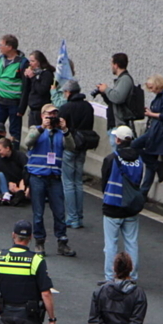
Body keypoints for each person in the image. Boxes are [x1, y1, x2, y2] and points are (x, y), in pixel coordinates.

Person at [23, 104, 76, 257]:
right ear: (42, 115)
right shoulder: (35, 129)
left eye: (54, 114)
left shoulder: (60, 133)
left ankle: (62, 242)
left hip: (55, 178)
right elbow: (28, 142)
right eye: (49, 114)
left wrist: (65, 130)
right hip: (38, 177)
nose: (52, 117)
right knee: (38, 212)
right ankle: (39, 242)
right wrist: (42, 128)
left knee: (59, 212)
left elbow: (72, 147)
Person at [101, 126, 144, 282]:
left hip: (113, 207)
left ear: (117, 140)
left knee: (110, 244)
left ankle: (111, 278)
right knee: (131, 243)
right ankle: (131, 277)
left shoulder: (111, 158)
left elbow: (104, 182)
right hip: (131, 207)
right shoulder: (139, 160)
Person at [132, 74, 163, 194]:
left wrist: (151, 114)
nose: (151, 90)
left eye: (152, 87)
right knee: (149, 159)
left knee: (134, 145)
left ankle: (157, 166)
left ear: (158, 85)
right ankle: (143, 192)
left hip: (159, 131)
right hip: (156, 129)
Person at [58, 79, 94, 228]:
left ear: (68, 92)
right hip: (83, 145)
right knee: (78, 182)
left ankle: (72, 217)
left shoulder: (66, 108)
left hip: (69, 145)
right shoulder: (88, 107)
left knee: (68, 182)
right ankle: (79, 216)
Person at [0, 35, 29, 141]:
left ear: (10, 47)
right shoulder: (1, 59)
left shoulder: (22, 63)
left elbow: (26, 87)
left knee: (14, 131)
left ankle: (13, 150)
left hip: (14, 103)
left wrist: (22, 107)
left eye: (1, 45)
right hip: (0, 101)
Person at [95, 53, 136, 133]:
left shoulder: (125, 79)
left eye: (112, 64)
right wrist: (104, 93)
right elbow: (113, 102)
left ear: (116, 65)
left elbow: (118, 98)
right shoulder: (121, 80)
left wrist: (106, 89)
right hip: (115, 125)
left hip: (120, 126)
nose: (111, 66)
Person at [20, 51, 55, 127]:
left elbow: (42, 90)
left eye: (33, 61)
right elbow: (26, 90)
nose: (30, 63)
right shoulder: (34, 73)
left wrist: (33, 77)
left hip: (41, 110)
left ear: (39, 62)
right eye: (30, 61)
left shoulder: (46, 74)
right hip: (32, 109)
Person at [0, 137, 28, 206]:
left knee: (27, 193)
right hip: (9, 184)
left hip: (22, 181)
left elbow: (27, 170)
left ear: (7, 148)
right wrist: (8, 183)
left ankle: (20, 193)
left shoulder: (20, 156)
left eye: (0, 150)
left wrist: (24, 181)